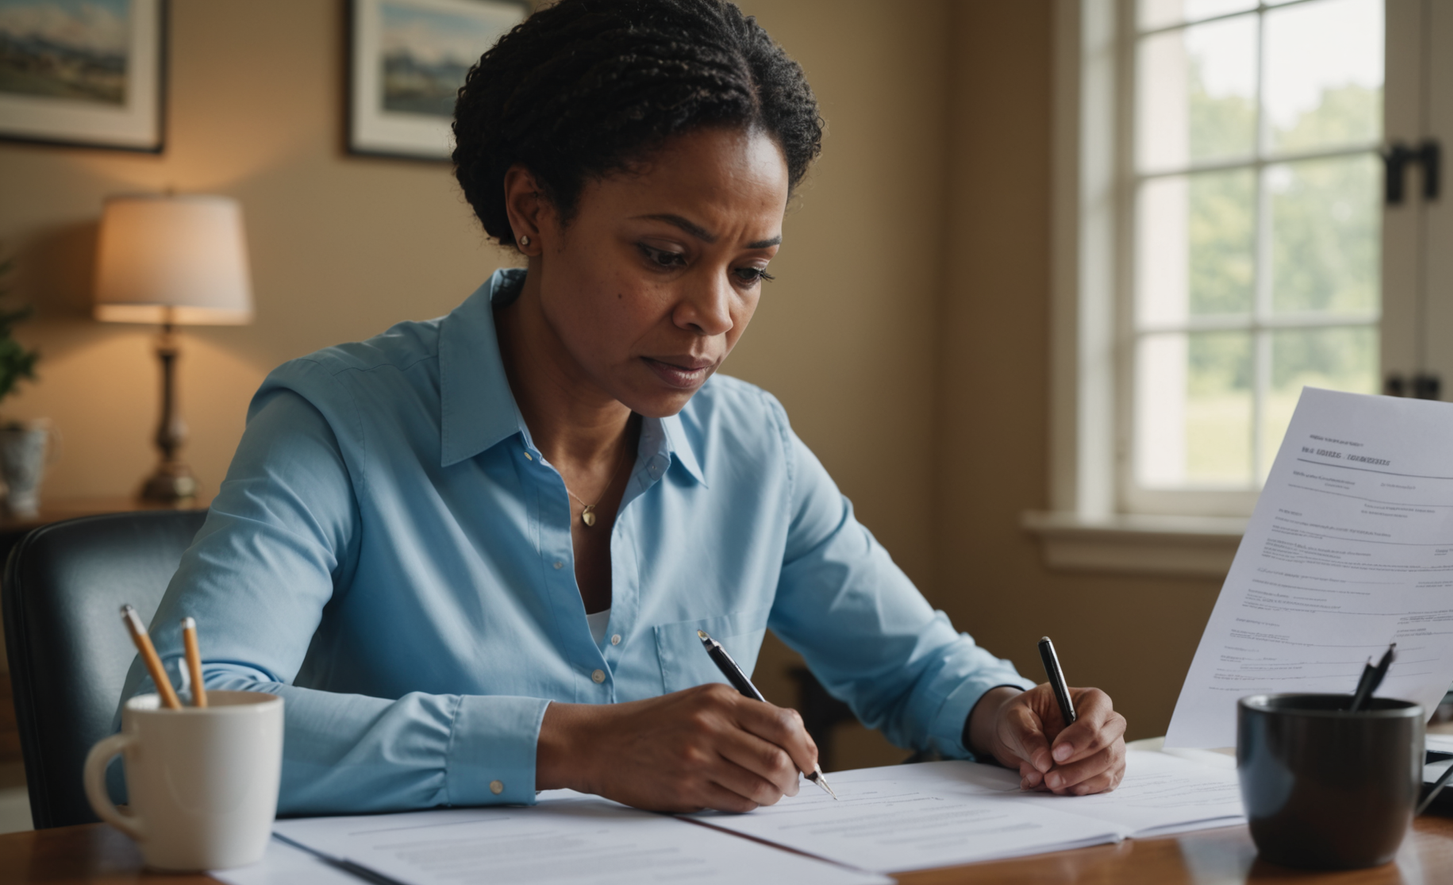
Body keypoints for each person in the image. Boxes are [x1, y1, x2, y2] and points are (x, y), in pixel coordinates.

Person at [119, 0, 1125, 815]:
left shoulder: (750, 445)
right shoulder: (336, 418)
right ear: (532, 211)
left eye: (752, 270)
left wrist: (1007, 713)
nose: (712, 316)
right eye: (664, 255)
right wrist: (573, 743)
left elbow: (909, 666)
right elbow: (168, 723)